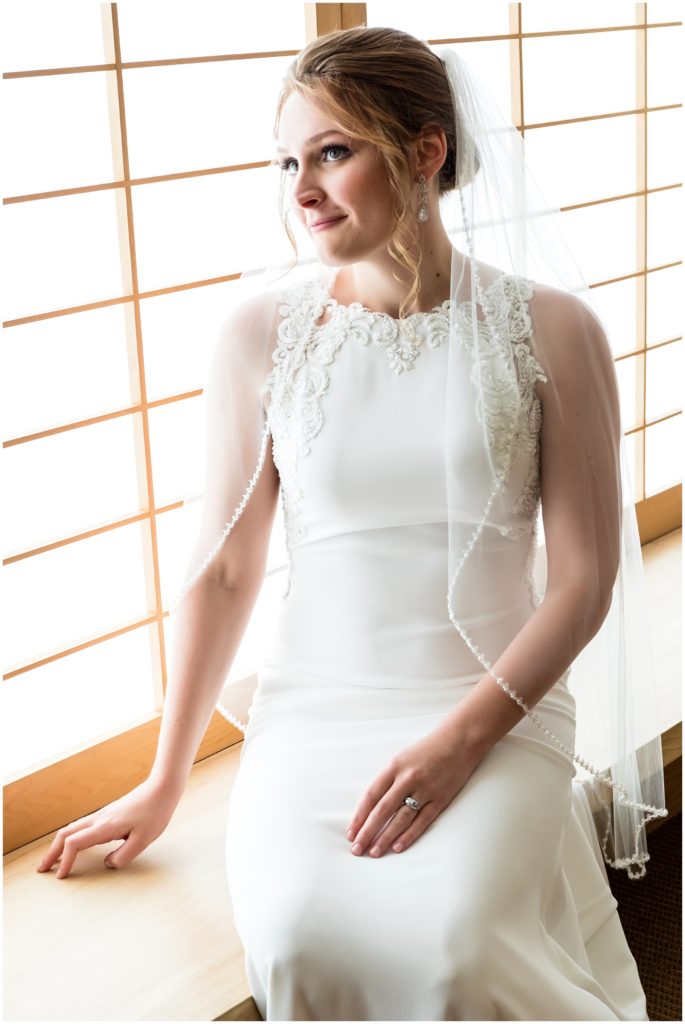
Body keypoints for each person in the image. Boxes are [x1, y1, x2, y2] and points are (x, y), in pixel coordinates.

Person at [37, 25, 667, 1022]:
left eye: (332, 152)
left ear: (425, 152)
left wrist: (463, 738)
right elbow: (226, 569)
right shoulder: (260, 335)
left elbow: (584, 579)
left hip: (495, 704)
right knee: (293, 938)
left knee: (456, 949)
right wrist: (162, 781)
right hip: (316, 711)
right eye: (287, 161)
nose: (301, 189)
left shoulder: (550, 329)